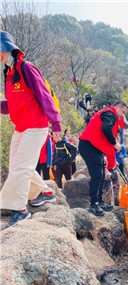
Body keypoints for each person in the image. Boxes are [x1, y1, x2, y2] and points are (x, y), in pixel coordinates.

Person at [0, 31, 61, 227]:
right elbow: (12, 105)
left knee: (20, 168)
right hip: (21, 127)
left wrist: (56, 123)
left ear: (10, 48)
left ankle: (20, 210)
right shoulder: (9, 74)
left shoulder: (27, 68)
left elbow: (45, 96)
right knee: (17, 166)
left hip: (36, 127)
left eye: (1, 50)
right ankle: (44, 192)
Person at [78, 100, 128, 216]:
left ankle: (99, 201)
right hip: (88, 145)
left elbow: (104, 138)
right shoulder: (110, 113)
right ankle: (93, 204)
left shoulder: (110, 115)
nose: (122, 115)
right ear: (117, 107)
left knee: (101, 174)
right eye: (122, 111)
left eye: (124, 113)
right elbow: (106, 129)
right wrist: (115, 144)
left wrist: (111, 160)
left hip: (95, 148)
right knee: (97, 175)